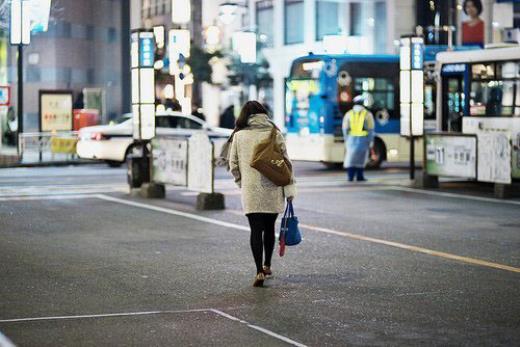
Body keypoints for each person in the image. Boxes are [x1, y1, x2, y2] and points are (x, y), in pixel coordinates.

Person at [229, 101, 296, 287]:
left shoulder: (239, 136)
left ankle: (258, 271)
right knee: (269, 228)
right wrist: (289, 190)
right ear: (263, 114)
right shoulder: (275, 133)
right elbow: (286, 164)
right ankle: (267, 264)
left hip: (250, 191)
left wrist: (241, 182)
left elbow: (233, 164)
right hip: (273, 189)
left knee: (255, 230)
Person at [342, 95, 375, 182]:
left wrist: (346, 139)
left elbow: (345, 129)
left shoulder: (349, 114)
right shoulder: (367, 114)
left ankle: (350, 176)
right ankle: (360, 176)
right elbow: (371, 129)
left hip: (351, 139)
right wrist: (371, 141)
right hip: (363, 139)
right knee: (361, 159)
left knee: (350, 158)